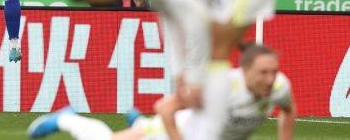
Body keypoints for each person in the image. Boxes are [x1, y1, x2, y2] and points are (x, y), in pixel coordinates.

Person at [60, 0, 287, 140]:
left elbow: (195, 17)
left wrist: (196, 80)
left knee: (217, 48)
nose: (98, 3)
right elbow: (169, 15)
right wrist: (179, 75)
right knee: (215, 49)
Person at [28, 44, 296, 140]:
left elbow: (288, 109)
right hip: (173, 132)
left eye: (274, 71)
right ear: (244, 70)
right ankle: (66, 119)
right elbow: (164, 107)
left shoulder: (280, 86)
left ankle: (140, 125)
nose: (271, 78)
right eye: (263, 72)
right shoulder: (219, 87)